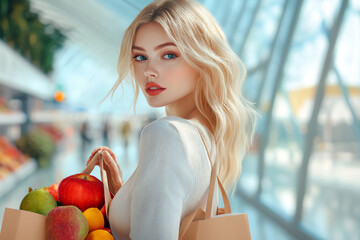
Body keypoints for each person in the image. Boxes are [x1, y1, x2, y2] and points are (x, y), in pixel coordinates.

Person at [87, 0, 257, 239]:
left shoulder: (167, 134)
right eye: (139, 57)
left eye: (168, 55)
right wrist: (125, 192)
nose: (149, 71)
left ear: (203, 59)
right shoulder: (205, 137)